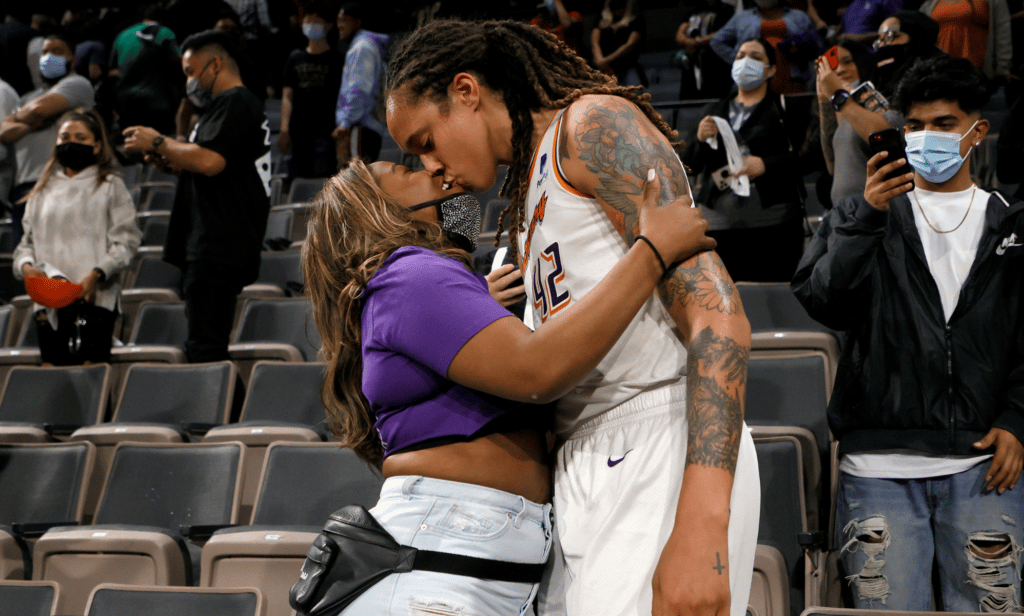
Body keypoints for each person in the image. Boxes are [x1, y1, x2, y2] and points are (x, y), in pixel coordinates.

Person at [385, 19, 761, 616]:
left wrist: (703, 524)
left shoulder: (591, 126)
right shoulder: (527, 188)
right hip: (585, 461)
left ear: (466, 91)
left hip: (657, 436)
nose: (434, 167)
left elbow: (720, 320)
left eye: (425, 141)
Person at [302, 156, 714, 616]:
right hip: (440, 564)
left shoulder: (409, 283)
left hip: (468, 564)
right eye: (404, 170)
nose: (435, 170)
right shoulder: (409, 273)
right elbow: (537, 371)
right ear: (373, 209)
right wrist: (652, 252)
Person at [792, 54, 1024, 612]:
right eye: (914, 126)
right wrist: (867, 217)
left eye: (943, 124)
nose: (925, 137)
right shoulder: (860, 214)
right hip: (876, 469)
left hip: (981, 467)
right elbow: (823, 300)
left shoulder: (1011, 226)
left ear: (976, 131)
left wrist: (1017, 418)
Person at [122, 29, 271, 364]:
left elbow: (210, 161)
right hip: (214, 240)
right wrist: (172, 161)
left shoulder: (236, 101)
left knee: (205, 346)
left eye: (191, 72)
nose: (189, 81)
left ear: (215, 65)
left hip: (219, 242)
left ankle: (209, 415)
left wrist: (158, 142)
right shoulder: (223, 107)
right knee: (202, 341)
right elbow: (207, 159)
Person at [12, 109, 141, 365]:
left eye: (81, 138)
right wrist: (26, 266)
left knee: (90, 378)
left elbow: (126, 241)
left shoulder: (110, 186)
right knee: (54, 378)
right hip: (48, 303)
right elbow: (26, 244)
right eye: (65, 137)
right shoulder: (41, 191)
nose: (71, 142)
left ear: (97, 145)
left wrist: (95, 275)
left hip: (94, 299)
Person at [683, 38, 805, 282]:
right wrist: (698, 139)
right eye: (740, 56)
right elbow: (689, 165)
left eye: (755, 57)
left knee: (770, 300)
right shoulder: (712, 110)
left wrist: (766, 165)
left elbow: (807, 160)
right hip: (718, 225)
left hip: (773, 226)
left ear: (770, 70)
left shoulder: (787, 109)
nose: (745, 61)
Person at [0, 32, 95, 245]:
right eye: (44, 52)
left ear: (73, 59)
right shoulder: (26, 98)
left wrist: (23, 117)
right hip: (24, 189)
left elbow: (40, 109)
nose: (48, 57)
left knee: (58, 263)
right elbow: (4, 133)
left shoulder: (77, 84)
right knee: (28, 267)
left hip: (60, 182)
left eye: (57, 51)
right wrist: (44, 119)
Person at [280, 3, 343, 179]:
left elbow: (342, 97)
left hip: (326, 131)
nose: (311, 24)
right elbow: (287, 95)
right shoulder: (295, 58)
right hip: (298, 131)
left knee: (323, 180)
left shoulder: (338, 59)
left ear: (329, 26)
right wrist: (284, 129)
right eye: (308, 20)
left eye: (316, 21)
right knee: (298, 177)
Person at [711, 0, 823, 93]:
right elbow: (717, 41)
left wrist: (801, 52)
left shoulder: (799, 16)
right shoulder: (742, 17)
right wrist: (740, 60)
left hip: (793, 78)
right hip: (750, 82)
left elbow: (817, 47)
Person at [108, 4, 184, 137]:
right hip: (155, 101)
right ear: (162, 19)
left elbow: (112, 70)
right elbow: (180, 62)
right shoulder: (164, 31)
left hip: (125, 101)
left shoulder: (123, 34)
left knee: (132, 141)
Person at [332, 2, 389, 167]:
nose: (339, 25)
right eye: (338, 20)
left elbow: (359, 90)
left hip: (361, 126)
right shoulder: (365, 46)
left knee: (356, 185)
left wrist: (345, 123)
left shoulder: (362, 48)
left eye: (344, 20)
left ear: (357, 22)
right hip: (363, 127)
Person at [920, 0, 1012, 78]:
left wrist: (1003, 69)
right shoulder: (930, 4)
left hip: (976, 74)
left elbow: (1003, 34)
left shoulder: (993, 1)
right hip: (939, 73)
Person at [676, 0, 736, 99]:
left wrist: (698, 41)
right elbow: (679, 34)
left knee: (716, 98)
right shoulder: (693, 12)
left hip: (717, 64)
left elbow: (724, 32)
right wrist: (688, 41)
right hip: (693, 63)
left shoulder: (727, 10)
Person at [591, 0, 648, 86]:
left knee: (634, 87)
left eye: (621, 6)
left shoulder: (637, 20)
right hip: (602, 67)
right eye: (614, 7)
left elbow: (630, 44)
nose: (617, 10)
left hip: (626, 66)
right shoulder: (601, 18)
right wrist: (600, 62)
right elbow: (595, 42)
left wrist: (605, 61)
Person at [836, 0, 904, 45]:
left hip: (873, 57)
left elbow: (897, 30)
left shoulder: (886, 1)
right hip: (846, 57)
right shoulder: (851, 6)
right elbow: (839, 34)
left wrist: (861, 37)